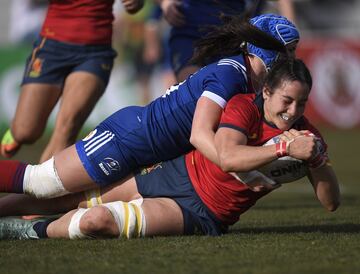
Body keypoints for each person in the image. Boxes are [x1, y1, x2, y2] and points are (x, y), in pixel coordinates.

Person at [0, 59, 340, 239]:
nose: (293, 111)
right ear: (266, 92)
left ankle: (31, 232)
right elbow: (228, 156)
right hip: (171, 172)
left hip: (204, 213)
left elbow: (330, 203)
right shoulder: (242, 106)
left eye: (302, 103)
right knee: (65, 196)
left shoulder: (306, 137)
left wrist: (318, 159)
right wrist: (282, 150)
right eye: (287, 100)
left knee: (97, 222)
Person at [0, 14, 299, 200]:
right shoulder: (231, 74)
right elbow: (199, 135)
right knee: (41, 183)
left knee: (62, 201)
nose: (292, 60)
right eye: (289, 51)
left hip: (149, 152)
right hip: (128, 140)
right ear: (268, 50)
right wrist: (242, 171)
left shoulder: (249, 81)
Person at [0, 0, 144, 163]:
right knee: (25, 132)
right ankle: (17, 132)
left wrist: (135, 3)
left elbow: (136, 6)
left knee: (66, 129)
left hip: (95, 53)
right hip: (52, 47)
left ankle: (41, 186)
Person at [156, 0, 297, 82]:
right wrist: (165, 3)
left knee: (234, 94)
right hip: (190, 32)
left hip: (235, 37)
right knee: (194, 86)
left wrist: (290, 34)